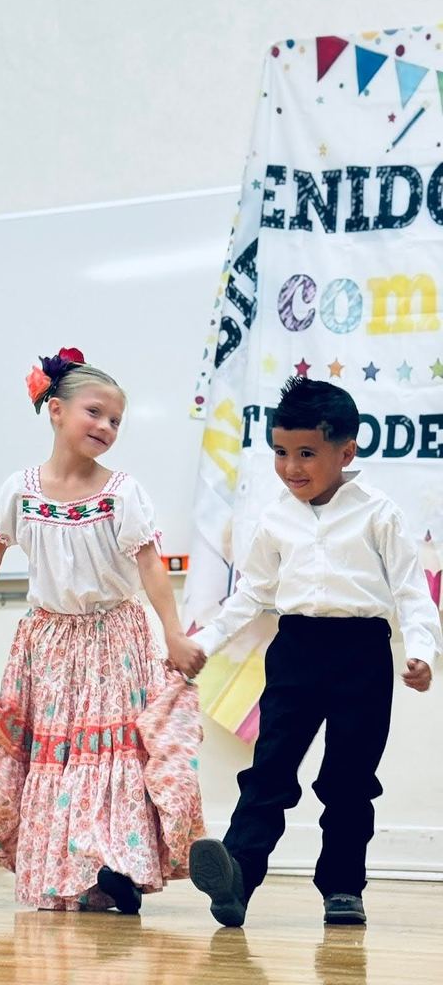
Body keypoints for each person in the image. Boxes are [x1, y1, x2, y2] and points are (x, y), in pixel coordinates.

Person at [0, 348, 206, 913]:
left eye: (116, 421)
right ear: (56, 410)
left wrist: (173, 635)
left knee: (112, 754)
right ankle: (74, 875)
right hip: (48, 643)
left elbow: (149, 564)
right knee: (57, 759)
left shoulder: (122, 492)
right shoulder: (21, 490)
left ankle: (118, 869)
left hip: (114, 637)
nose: (107, 427)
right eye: (95, 413)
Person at [188, 377, 442, 927]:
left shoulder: (380, 514)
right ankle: (236, 875)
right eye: (281, 452)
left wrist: (420, 650)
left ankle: (343, 889)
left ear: (346, 451)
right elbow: (252, 593)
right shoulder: (274, 518)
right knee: (270, 769)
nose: (291, 467)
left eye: (306, 453)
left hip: (362, 655)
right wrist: (204, 642)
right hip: (296, 648)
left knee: (348, 780)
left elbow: (410, 593)